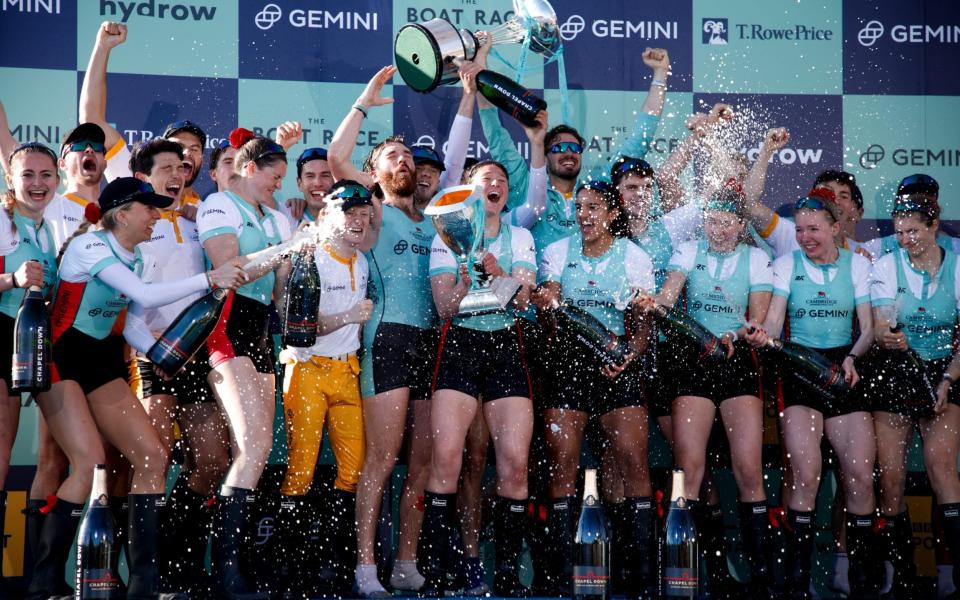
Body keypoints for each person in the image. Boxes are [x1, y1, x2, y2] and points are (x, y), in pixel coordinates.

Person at [25, 177, 243, 600]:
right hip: (61, 360)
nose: (156, 216)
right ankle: (44, 580)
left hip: (104, 361)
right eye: (148, 208)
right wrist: (210, 279)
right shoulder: (92, 245)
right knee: (87, 464)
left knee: (152, 456)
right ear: (121, 213)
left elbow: (137, 322)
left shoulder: (137, 255)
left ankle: (144, 581)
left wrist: (166, 359)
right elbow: (143, 293)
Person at [327, 66, 440, 597]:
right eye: (392, 156)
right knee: (382, 459)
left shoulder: (436, 219)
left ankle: (405, 562)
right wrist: (365, 101)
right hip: (388, 339)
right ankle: (366, 567)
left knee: (420, 463)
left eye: (409, 156)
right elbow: (334, 160)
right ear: (374, 172)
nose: (404, 162)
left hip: (431, 343)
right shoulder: (372, 212)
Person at [745, 188, 878, 599]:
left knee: (858, 476)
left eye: (814, 229)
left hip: (844, 368)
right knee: (805, 473)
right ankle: (795, 586)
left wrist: (853, 359)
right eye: (799, 229)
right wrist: (760, 334)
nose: (805, 237)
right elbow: (774, 319)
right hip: (800, 370)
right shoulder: (786, 264)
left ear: (836, 229)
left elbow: (869, 329)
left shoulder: (856, 266)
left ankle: (863, 584)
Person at [647, 182, 774, 596]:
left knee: (748, 471)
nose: (719, 229)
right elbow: (668, 298)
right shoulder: (688, 251)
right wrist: (654, 304)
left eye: (728, 222)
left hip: (737, 361)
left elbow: (756, 321)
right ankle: (688, 572)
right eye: (713, 221)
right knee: (688, 472)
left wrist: (738, 335)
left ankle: (760, 578)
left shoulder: (756, 258)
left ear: (740, 225)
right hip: (696, 359)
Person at [418, 163, 537, 597]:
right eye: (487, 179)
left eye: (503, 181)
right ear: (470, 190)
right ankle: (435, 573)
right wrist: (466, 282)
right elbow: (445, 307)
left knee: (514, 467)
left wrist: (496, 270)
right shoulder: (444, 235)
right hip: (461, 347)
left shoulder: (519, 236)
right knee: (447, 461)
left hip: (507, 346)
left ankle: (506, 574)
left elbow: (523, 300)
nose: (496, 185)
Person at [533, 180, 655, 598]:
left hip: (616, 364)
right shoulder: (555, 254)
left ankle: (638, 573)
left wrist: (631, 355)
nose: (584, 215)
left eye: (594, 208)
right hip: (568, 365)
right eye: (580, 207)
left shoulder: (634, 256)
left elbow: (643, 323)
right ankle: (562, 571)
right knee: (562, 465)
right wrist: (546, 306)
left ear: (612, 215)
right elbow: (550, 325)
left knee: (631, 464)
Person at [123, 137, 231, 596]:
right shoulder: (135, 223)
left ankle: (174, 560)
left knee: (212, 463)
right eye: (166, 167)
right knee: (153, 459)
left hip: (197, 357)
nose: (176, 173)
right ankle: (143, 575)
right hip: (151, 355)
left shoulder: (201, 218)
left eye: (182, 167)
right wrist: (149, 350)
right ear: (143, 176)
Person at [196, 128, 295, 600]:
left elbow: (280, 293)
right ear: (248, 169)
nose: (279, 186)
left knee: (252, 452)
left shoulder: (274, 217)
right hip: (225, 326)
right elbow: (229, 267)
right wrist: (284, 251)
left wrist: (300, 262)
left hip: (260, 334)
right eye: (274, 178)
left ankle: (233, 565)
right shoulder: (218, 206)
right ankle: (226, 570)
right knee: (253, 446)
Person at [273, 181, 374, 597]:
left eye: (365, 216)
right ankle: (290, 567)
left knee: (353, 472)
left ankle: (334, 563)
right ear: (328, 215)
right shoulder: (311, 255)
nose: (358, 222)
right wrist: (350, 315)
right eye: (350, 213)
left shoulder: (364, 261)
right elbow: (295, 328)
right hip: (308, 370)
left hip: (347, 374)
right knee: (300, 469)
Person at [868, 192, 960, 599]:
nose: (905, 240)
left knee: (941, 467)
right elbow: (882, 321)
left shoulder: (958, 267)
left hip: (944, 369)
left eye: (913, 231)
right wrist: (890, 333)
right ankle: (900, 577)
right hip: (898, 367)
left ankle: (955, 577)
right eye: (899, 232)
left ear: (933, 226)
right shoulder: (887, 265)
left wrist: (947, 382)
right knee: (890, 478)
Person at [0, 142, 59, 594]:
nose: (37, 184)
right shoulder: (2, 220)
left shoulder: (50, 228)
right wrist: (11, 280)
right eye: (28, 176)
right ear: (10, 180)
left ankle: (43, 580)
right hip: (3, 338)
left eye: (45, 175)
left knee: (58, 456)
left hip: (36, 345)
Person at [293, 147, 335, 226]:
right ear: (299, 184)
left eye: (325, 175)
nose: (318, 183)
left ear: (335, 181)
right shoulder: (287, 218)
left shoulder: (348, 220)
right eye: (310, 176)